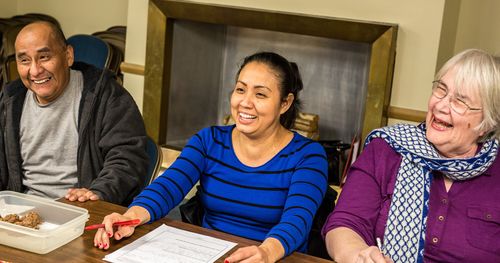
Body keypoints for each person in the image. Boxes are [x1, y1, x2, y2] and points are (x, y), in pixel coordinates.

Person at [94, 52, 328, 262]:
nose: (245, 102)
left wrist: (266, 252)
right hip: (208, 253)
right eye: (240, 89)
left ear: (285, 103)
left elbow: (298, 220)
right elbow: (168, 187)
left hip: (273, 256)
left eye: (260, 94)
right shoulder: (210, 141)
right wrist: (130, 218)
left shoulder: (308, 156)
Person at [322, 48, 500, 263]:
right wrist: (357, 255)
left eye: (460, 101)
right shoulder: (386, 149)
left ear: (486, 123)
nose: (441, 105)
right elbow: (345, 222)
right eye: (441, 90)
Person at [0, 21, 148, 205]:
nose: (35, 70)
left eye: (44, 57)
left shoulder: (105, 95)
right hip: (19, 214)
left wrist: (98, 192)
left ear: (68, 56)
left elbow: (128, 158)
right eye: (24, 60)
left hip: (80, 213)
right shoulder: (10, 100)